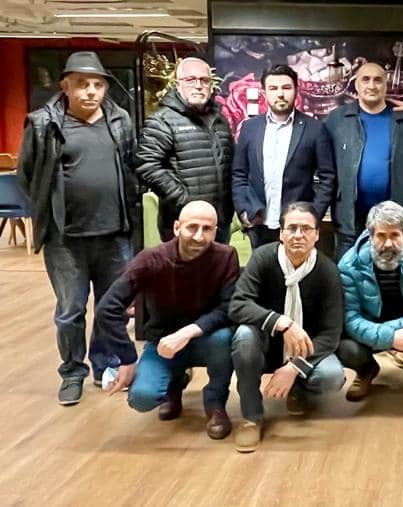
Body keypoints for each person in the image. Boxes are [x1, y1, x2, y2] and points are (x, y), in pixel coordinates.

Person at [17, 51, 139, 405]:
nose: (90, 91)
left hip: (115, 234)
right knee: (70, 311)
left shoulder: (120, 121)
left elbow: (131, 167)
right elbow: (28, 175)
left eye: (97, 84)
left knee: (111, 307)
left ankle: (105, 365)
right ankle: (72, 373)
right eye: (82, 84)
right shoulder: (43, 124)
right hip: (65, 238)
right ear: (65, 86)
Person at [96, 201, 238, 440]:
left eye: (207, 229)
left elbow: (228, 308)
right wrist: (127, 358)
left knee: (224, 338)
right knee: (141, 399)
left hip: (206, 337)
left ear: (216, 232)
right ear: (176, 228)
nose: (199, 236)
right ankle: (174, 384)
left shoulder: (226, 256)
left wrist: (188, 332)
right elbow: (107, 308)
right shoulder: (151, 259)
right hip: (162, 342)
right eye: (192, 227)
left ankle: (215, 403)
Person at [229, 201, 346, 452]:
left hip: (305, 348)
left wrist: (295, 366)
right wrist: (281, 322)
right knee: (243, 335)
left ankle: (298, 389)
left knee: (332, 376)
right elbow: (238, 305)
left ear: (317, 235)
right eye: (291, 228)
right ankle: (251, 418)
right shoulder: (263, 258)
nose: (298, 235)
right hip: (265, 345)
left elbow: (331, 333)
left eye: (306, 229)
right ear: (281, 233)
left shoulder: (328, 271)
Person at [337, 201, 403, 402]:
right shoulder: (348, 265)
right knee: (344, 348)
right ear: (370, 236)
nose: (388, 244)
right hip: (369, 325)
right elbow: (350, 318)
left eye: (395, 235)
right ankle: (366, 371)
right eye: (381, 236)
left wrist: (391, 333)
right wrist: (388, 336)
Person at [322, 62, 403, 255]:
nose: (371, 85)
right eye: (365, 79)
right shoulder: (337, 120)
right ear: (356, 85)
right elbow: (324, 164)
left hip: (391, 219)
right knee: (347, 269)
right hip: (349, 217)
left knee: (389, 268)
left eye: (377, 80)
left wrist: (399, 182)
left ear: (386, 85)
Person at [231, 65, 335, 250]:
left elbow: (328, 178)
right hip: (258, 223)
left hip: (297, 226)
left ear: (296, 90)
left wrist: (313, 215)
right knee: (262, 268)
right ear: (264, 93)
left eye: (286, 88)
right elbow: (239, 174)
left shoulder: (315, 129)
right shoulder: (250, 128)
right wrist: (243, 210)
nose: (280, 94)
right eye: (273, 88)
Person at [136, 57, 235, 244]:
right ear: (177, 84)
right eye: (190, 80)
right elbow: (147, 166)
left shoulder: (220, 120)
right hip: (183, 221)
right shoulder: (162, 120)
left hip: (219, 221)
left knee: (219, 263)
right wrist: (185, 200)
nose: (198, 86)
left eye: (204, 80)